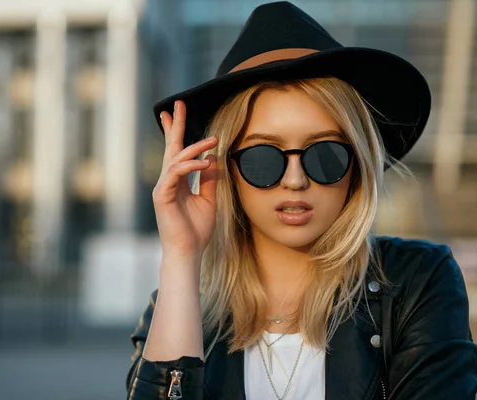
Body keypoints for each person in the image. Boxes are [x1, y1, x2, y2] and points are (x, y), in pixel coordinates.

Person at [126, 2, 477, 399]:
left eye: (325, 155)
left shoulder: (416, 281)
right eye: (262, 158)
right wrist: (181, 255)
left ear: (357, 166)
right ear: (225, 171)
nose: (295, 180)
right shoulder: (178, 302)